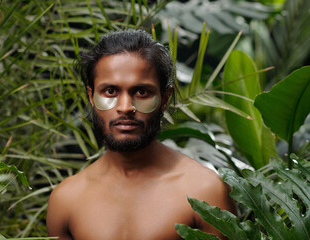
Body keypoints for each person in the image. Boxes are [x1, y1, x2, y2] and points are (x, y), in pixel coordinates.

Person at [46, 29, 236, 240]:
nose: (125, 107)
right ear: (92, 96)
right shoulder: (66, 200)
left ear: (164, 98)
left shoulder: (205, 191)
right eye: (110, 91)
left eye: (141, 92)